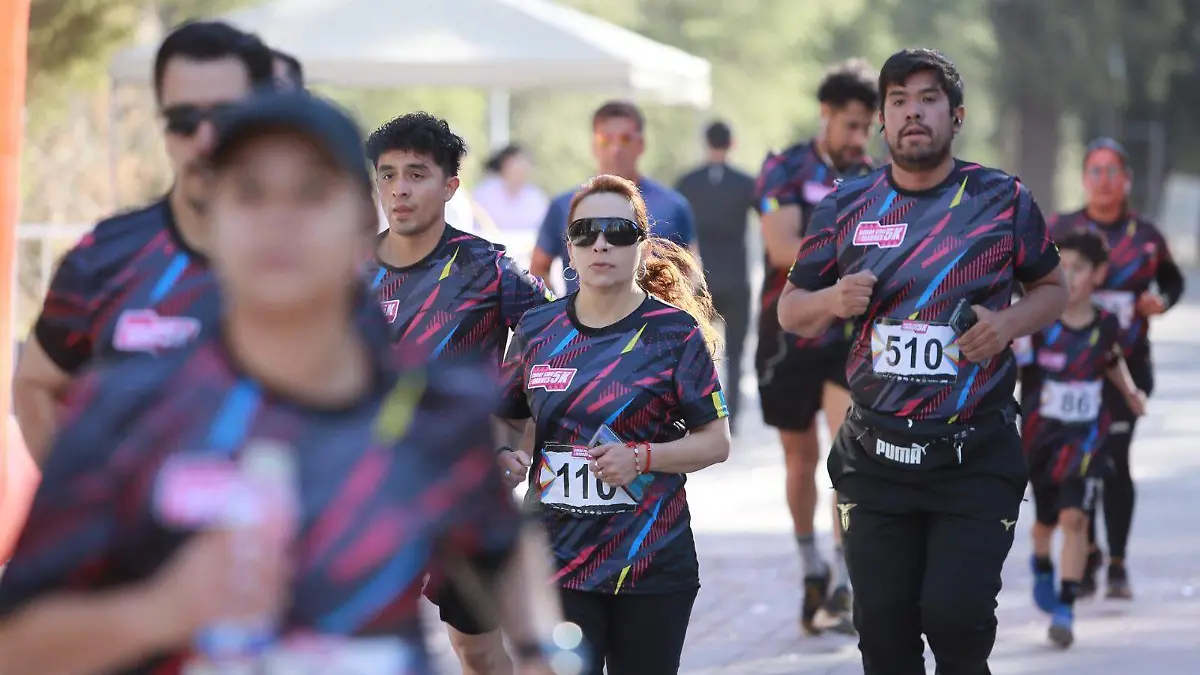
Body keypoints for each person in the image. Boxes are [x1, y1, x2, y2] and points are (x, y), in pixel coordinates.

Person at [0, 92, 564, 675]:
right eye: (250, 192)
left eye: (311, 193)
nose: (280, 219)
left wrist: (545, 651)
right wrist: (160, 612)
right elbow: (14, 645)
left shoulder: (436, 413)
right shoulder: (124, 407)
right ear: (210, 221)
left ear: (358, 224)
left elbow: (508, 549)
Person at [778, 48, 1068, 675]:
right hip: (877, 461)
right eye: (899, 100)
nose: (914, 112)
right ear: (882, 120)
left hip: (974, 454)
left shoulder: (1003, 200)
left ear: (955, 115)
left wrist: (1007, 324)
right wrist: (831, 297)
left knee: (956, 622)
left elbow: (1054, 290)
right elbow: (790, 309)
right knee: (883, 636)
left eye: (928, 98)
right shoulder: (846, 207)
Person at [497, 174, 732, 675]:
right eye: (586, 231)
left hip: (649, 563)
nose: (601, 243)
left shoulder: (675, 333)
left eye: (618, 231)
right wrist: (505, 454)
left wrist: (642, 457)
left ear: (642, 246)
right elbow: (507, 420)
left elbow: (716, 442)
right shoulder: (538, 329)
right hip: (553, 562)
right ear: (570, 247)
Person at [11, 20, 274, 464]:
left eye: (227, 118)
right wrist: (77, 508)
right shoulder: (105, 257)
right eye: (183, 121)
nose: (205, 141)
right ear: (164, 127)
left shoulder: (316, 258)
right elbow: (35, 383)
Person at [365, 111, 555, 675]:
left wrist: (516, 435)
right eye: (389, 173)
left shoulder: (488, 268)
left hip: (464, 495)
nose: (400, 188)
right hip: (370, 491)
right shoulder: (346, 272)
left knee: (474, 646)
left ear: (451, 187)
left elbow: (561, 343)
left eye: (417, 174)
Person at [752, 58, 877, 634]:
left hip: (847, 338)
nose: (859, 139)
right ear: (826, 114)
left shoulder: (874, 177)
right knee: (799, 460)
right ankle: (811, 571)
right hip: (786, 335)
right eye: (851, 125)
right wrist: (851, 246)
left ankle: (847, 582)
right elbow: (782, 250)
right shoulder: (782, 168)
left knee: (846, 458)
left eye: (866, 128)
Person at [1049, 137, 1185, 599]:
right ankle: (1084, 554)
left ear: (1126, 180)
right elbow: (1031, 275)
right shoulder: (1062, 228)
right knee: (1075, 462)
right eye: (1095, 171)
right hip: (1070, 368)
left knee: (1113, 462)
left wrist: (1159, 301)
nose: (1104, 182)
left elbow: (1172, 278)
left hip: (1128, 364)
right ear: (1083, 178)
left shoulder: (1144, 235)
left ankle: (1118, 564)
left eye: (1112, 172)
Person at [1014, 227, 1146, 648]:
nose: (1070, 276)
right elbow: (1011, 365)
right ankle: (1040, 564)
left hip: (1087, 437)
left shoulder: (1106, 324)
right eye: (1062, 267)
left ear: (1099, 274)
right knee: (1047, 522)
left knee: (1077, 518)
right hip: (1041, 438)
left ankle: (1066, 608)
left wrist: (1130, 392)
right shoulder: (1038, 323)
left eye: (1079, 268)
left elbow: (1111, 362)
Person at [530, 101, 697, 294]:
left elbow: (689, 270)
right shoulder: (565, 206)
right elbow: (539, 267)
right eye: (605, 140)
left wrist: (669, 316)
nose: (615, 149)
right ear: (594, 146)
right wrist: (559, 314)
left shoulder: (673, 206)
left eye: (625, 139)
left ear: (641, 144)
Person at [674, 121, 755, 431]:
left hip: (699, 279)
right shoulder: (747, 183)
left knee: (695, 352)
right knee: (736, 351)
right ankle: (731, 418)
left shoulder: (687, 183)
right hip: (737, 277)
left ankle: (699, 415)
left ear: (705, 143)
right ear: (732, 143)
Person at [472, 144, 550, 256]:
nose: (521, 169)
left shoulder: (537, 198)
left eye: (525, 164)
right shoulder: (483, 194)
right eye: (517, 163)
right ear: (505, 164)